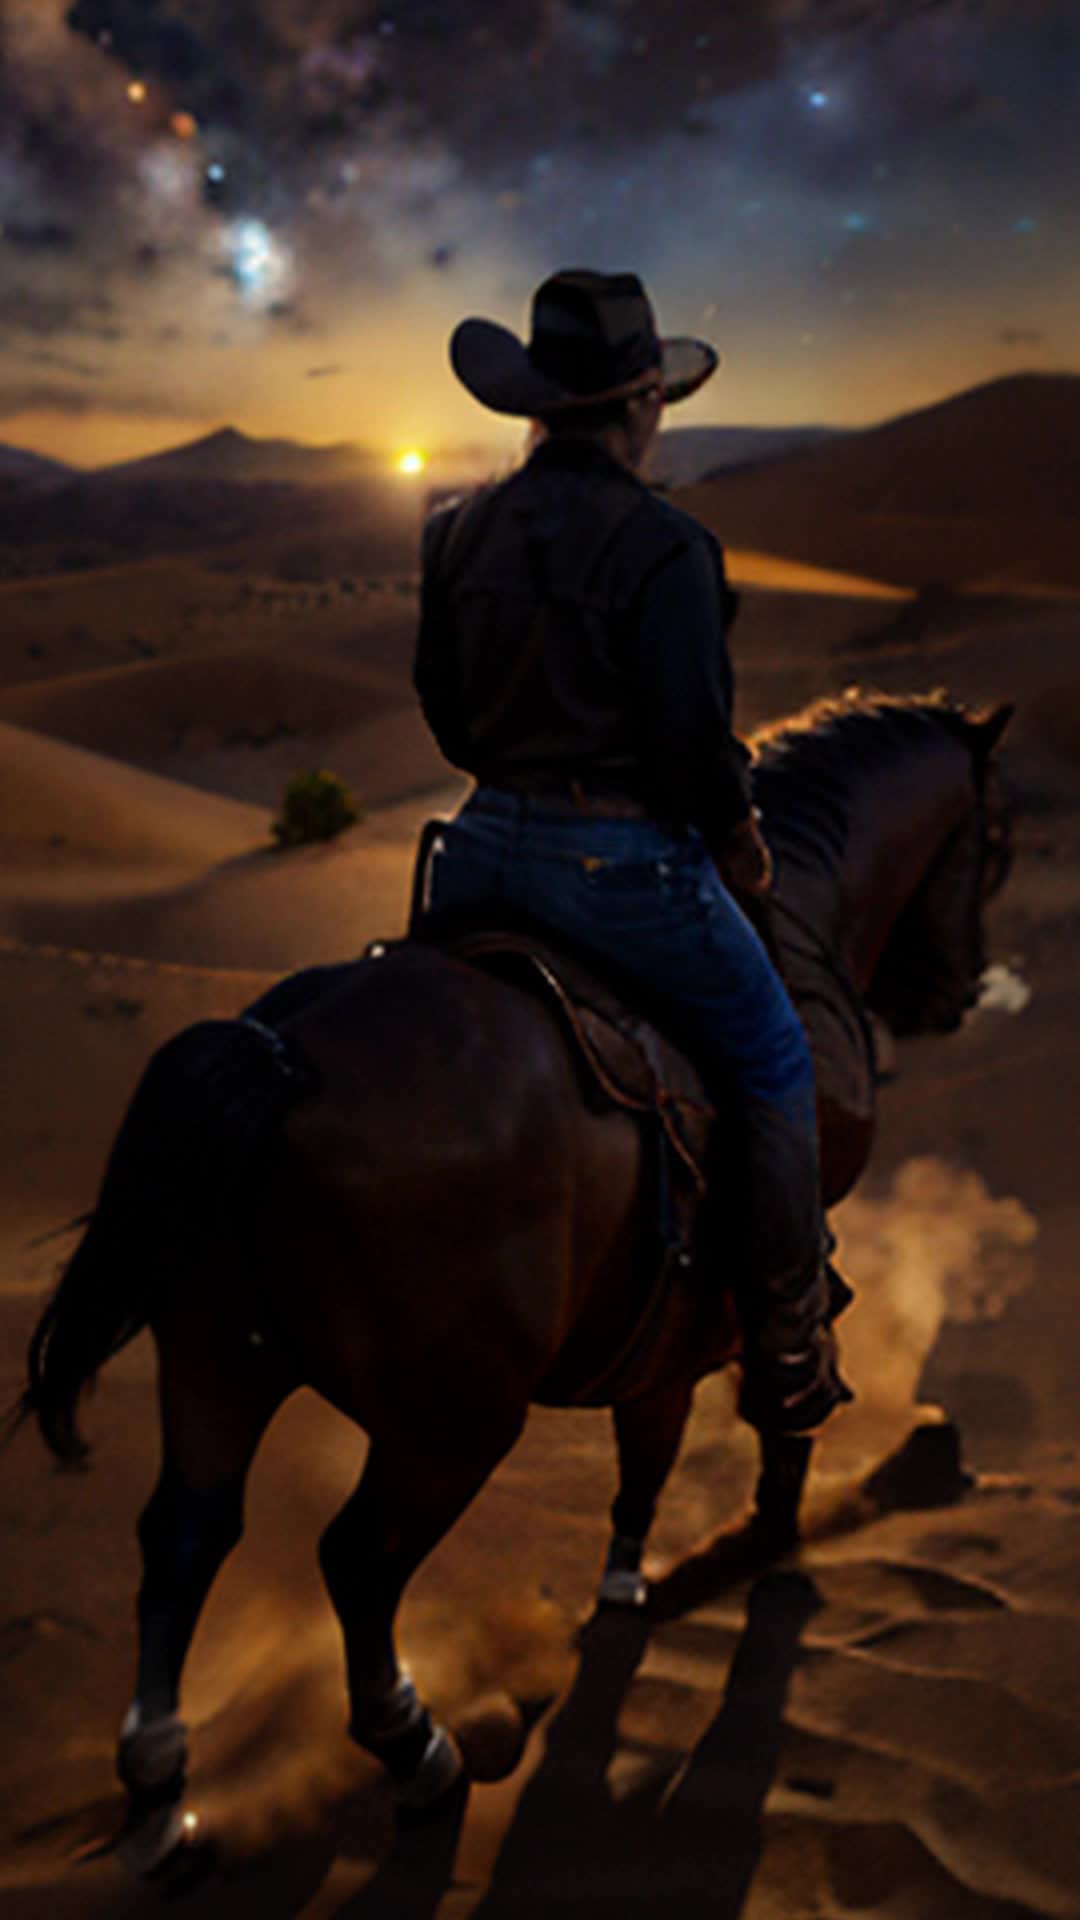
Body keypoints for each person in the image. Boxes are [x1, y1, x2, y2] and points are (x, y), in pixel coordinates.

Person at [412, 268, 850, 1435]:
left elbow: (445, 717)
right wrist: (742, 843)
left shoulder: (456, 532)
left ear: (535, 405)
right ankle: (790, 1347)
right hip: (616, 872)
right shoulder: (666, 547)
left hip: (476, 852)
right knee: (772, 1057)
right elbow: (690, 746)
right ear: (645, 398)